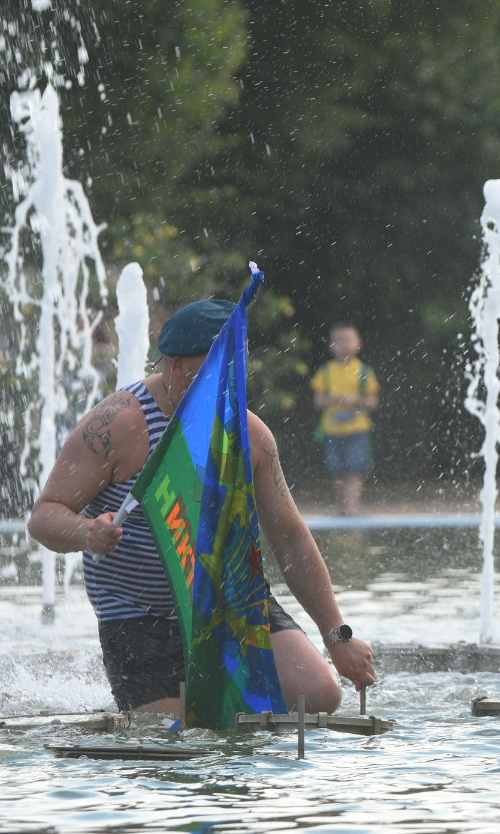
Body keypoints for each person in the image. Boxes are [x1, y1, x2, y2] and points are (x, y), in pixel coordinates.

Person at [27, 299, 377, 715]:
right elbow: (44, 515)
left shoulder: (252, 436)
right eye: (219, 369)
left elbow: (291, 539)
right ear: (176, 367)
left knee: (319, 695)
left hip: (228, 599)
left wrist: (337, 636)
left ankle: (226, 690)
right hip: (139, 616)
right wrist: (87, 532)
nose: (233, 380)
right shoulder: (115, 425)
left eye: (237, 366)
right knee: (183, 732)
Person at [310, 322, 379, 516]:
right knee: (337, 471)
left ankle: (352, 507)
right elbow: (318, 401)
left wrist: (357, 400)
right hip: (332, 430)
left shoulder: (365, 372)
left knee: (355, 470)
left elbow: (373, 402)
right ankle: (343, 506)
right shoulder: (326, 371)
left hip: (358, 429)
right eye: (339, 341)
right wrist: (335, 399)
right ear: (331, 347)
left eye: (348, 340)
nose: (344, 344)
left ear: (358, 344)